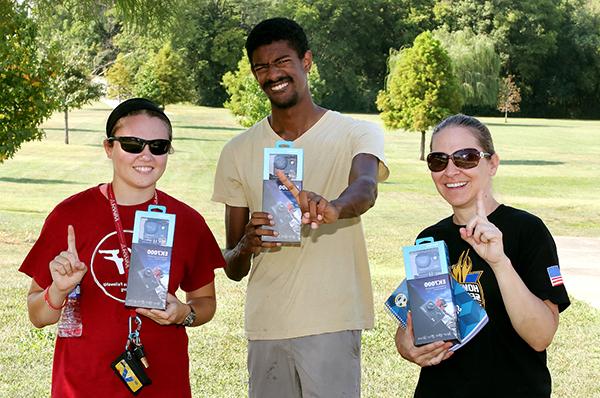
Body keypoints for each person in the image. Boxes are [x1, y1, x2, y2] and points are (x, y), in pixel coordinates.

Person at [212, 17, 389, 398]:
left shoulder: (357, 132)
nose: (273, 74)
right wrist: (246, 245)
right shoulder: (237, 151)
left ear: (306, 61)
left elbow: (366, 186)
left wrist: (335, 207)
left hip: (332, 320)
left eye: (283, 62)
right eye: (261, 67)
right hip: (267, 324)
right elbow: (231, 265)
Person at [20, 98, 225, 397]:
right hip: (82, 386)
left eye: (158, 146)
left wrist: (183, 313)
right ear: (109, 148)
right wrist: (58, 290)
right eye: (132, 144)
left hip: (163, 385)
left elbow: (205, 302)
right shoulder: (69, 216)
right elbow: (38, 316)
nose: (146, 155)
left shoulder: (187, 221)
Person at [394, 114, 570, 397]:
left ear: (493, 164)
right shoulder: (430, 238)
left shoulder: (528, 230)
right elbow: (412, 326)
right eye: (439, 160)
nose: (451, 171)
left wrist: (499, 262)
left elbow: (541, 337)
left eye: (466, 157)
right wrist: (407, 346)